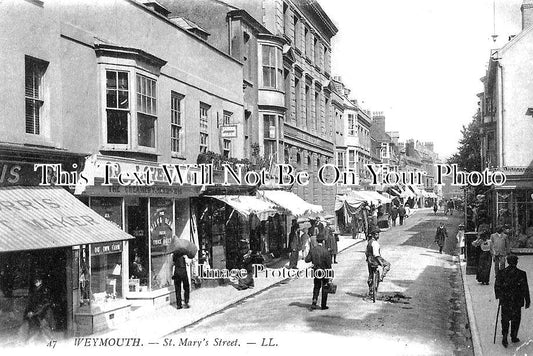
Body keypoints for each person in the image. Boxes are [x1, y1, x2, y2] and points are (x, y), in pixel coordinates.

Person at [494, 255, 530, 348]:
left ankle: (505, 336)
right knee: (516, 319)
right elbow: (525, 288)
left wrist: (499, 296)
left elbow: (497, 286)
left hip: (506, 300)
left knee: (505, 319)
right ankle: (513, 336)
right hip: (517, 301)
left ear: (508, 262)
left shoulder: (501, 273)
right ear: (516, 262)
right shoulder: (521, 274)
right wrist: (527, 300)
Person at [304, 234, 332, 310]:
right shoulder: (326, 251)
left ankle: (314, 301)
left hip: (316, 270)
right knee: (325, 287)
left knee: (316, 286)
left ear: (316, 241)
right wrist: (330, 275)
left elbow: (306, 260)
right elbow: (329, 264)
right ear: (323, 241)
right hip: (325, 271)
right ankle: (323, 305)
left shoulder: (313, 250)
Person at [23, 276, 53, 340]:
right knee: (35, 330)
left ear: (41, 281)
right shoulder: (34, 290)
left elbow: (45, 304)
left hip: (43, 314)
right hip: (36, 314)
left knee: (45, 329)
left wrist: (34, 312)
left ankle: (51, 344)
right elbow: (31, 303)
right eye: (35, 281)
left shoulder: (44, 291)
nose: (36, 283)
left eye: (37, 281)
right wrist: (29, 312)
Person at [365, 229, 391, 295]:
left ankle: (371, 290)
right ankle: (381, 277)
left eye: (378, 234)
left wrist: (367, 258)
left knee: (370, 274)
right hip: (376, 259)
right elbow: (376, 254)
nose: (378, 235)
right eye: (376, 234)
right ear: (373, 235)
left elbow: (366, 252)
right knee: (387, 265)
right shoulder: (375, 243)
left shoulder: (369, 242)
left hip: (369, 260)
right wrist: (381, 263)